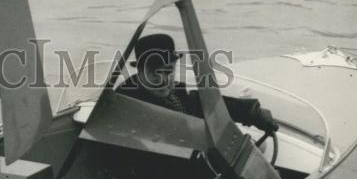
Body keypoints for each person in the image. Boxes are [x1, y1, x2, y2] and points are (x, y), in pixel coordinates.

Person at [117, 33, 279, 133]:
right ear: (139, 72)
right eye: (154, 73)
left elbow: (201, 103)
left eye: (169, 71)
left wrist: (252, 112)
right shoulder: (126, 103)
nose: (163, 81)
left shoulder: (174, 94)